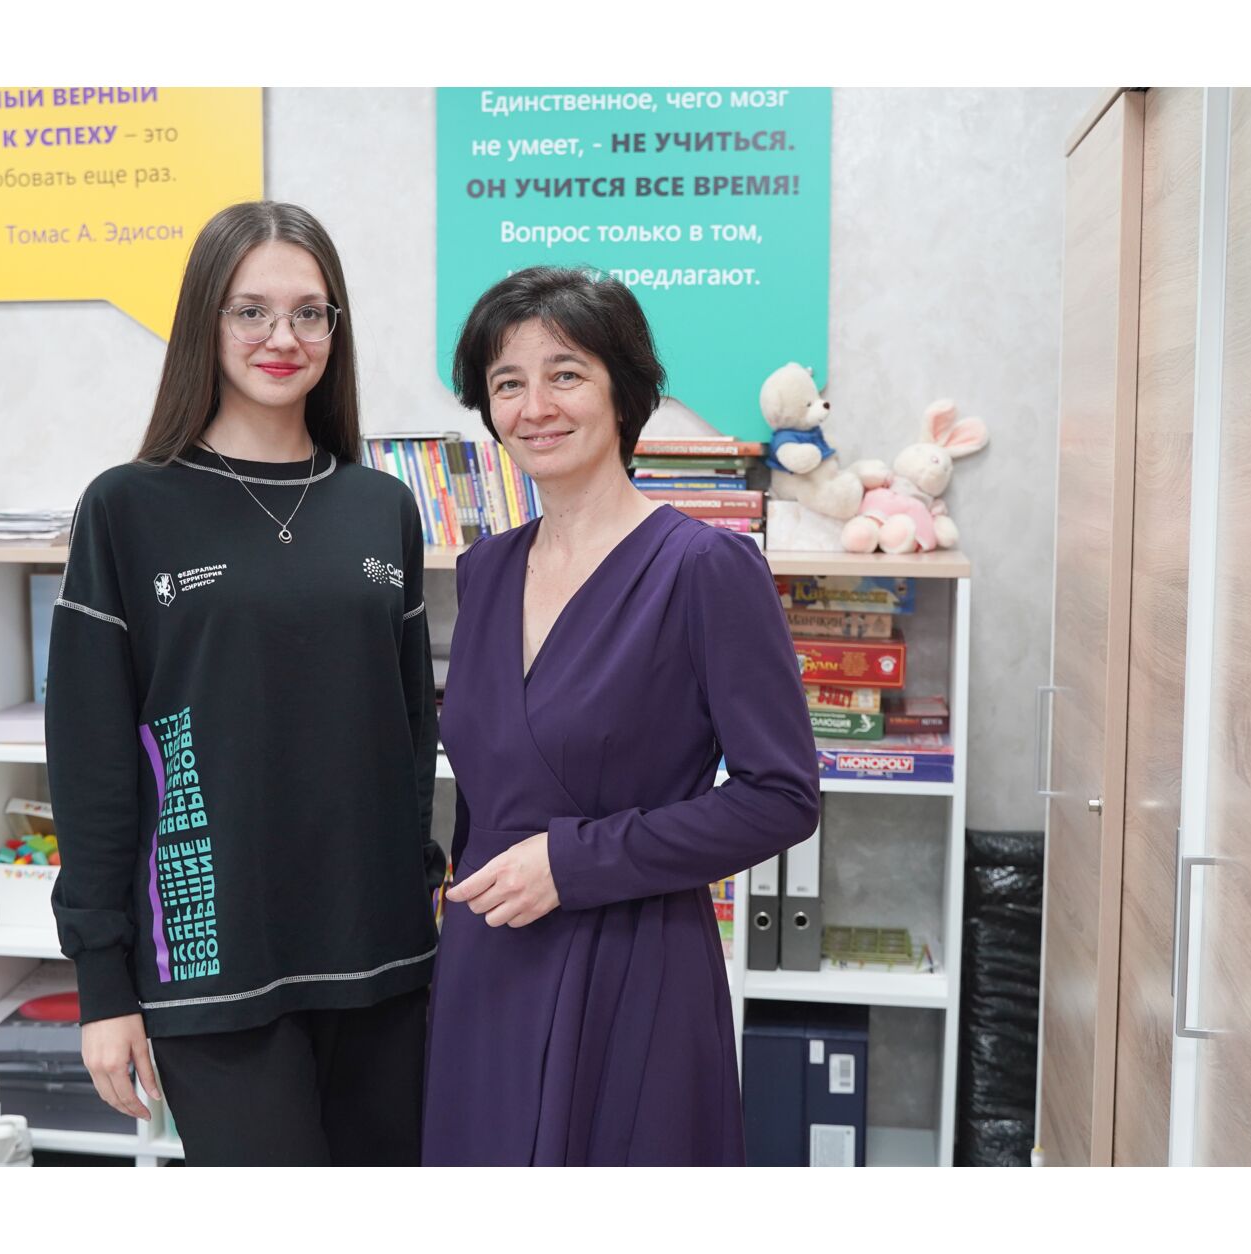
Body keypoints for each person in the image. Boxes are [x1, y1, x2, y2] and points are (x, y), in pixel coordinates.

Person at [47, 201, 443, 1166]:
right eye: (251, 311)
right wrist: (103, 985)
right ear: (205, 322)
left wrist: (425, 902)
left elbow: (409, 735)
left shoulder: (382, 507)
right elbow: (92, 761)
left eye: (310, 313)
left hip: (382, 956)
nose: (283, 337)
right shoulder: (127, 507)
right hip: (211, 962)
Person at [423, 266, 820, 1165]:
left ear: (623, 391)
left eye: (565, 374)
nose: (535, 407)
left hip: (634, 961)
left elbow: (781, 797)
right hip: (487, 963)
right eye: (507, 382)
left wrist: (573, 862)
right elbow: (484, 791)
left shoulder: (706, 569)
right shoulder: (483, 572)